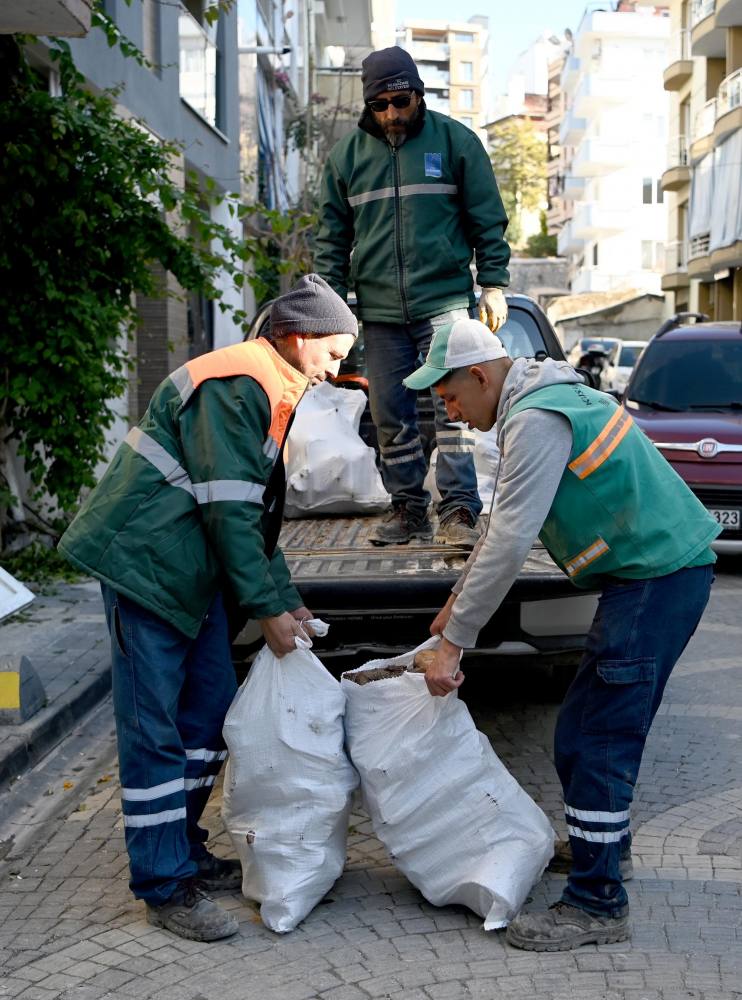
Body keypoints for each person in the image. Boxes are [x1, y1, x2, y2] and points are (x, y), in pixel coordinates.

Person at [403, 317, 720, 951]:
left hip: (657, 577)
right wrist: (454, 607)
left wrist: (454, 642)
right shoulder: (546, 398)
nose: (455, 413)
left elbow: (512, 540)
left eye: (452, 397)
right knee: (586, 730)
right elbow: (501, 528)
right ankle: (600, 852)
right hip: (657, 573)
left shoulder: (537, 418)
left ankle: (598, 904)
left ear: (480, 374)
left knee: (597, 736)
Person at [58, 274, 358, 942]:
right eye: (334, 354)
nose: (337, 370)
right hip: (147, 570)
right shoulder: (237, 384)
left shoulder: (270, 390)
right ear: (300, 337)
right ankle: (163, 886)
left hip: (187, 574)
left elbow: (254, 517)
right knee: (154, 727)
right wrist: (266, 608)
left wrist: (287, 601)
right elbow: (227, 512)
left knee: (208, 711)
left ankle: (184, 847)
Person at [314, 46, 511, 548]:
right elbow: (331, 240)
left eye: (401, 101)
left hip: (444, 302)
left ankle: (459, 512)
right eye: (380, 105)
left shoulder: (455, 143)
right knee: (389, 414)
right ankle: (407, 510)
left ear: (418, 95)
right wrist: (332, 309)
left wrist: (493, 283)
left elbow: (486, 217)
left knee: (453, 412)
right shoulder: (347, 158)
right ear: (368, 106)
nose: (392, 114)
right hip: (379, 312)